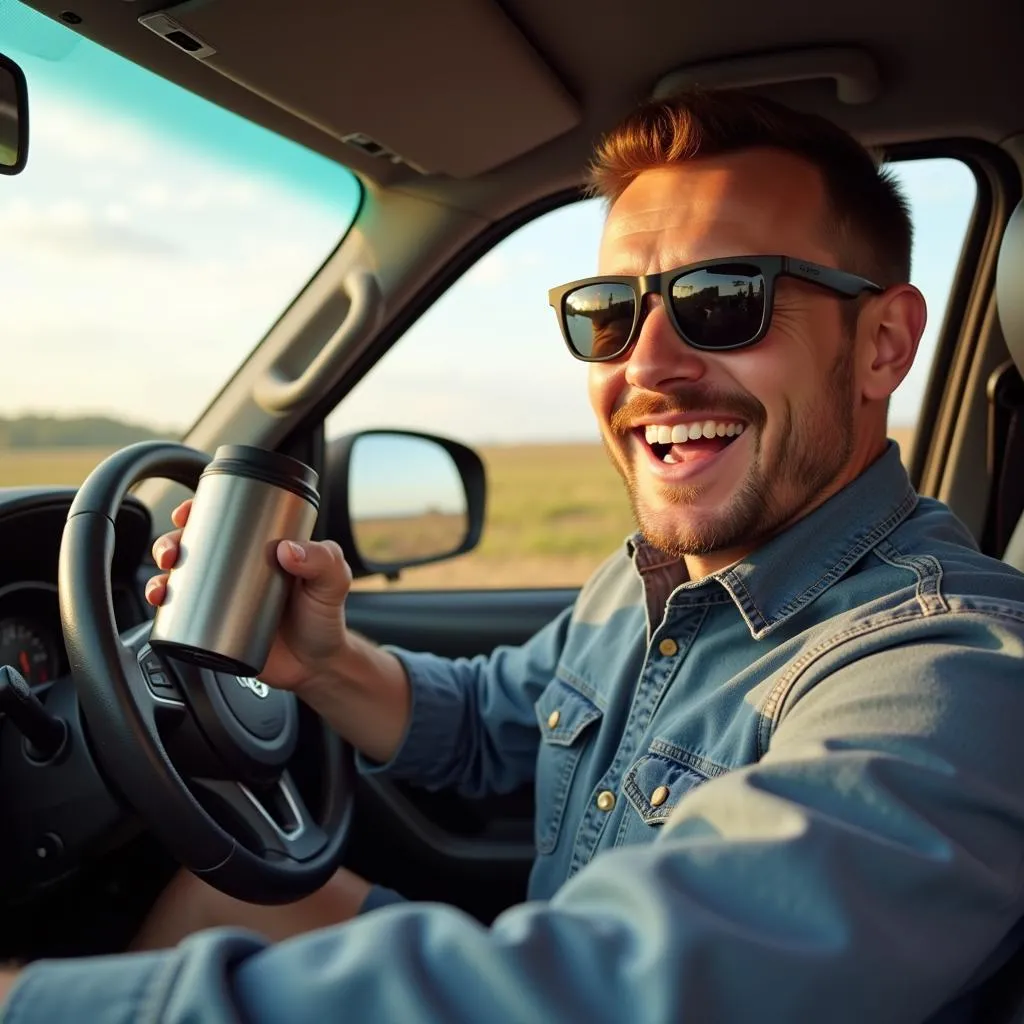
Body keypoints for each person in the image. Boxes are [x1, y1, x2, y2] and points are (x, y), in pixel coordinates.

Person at [3, 88, 1024, 1023]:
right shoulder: (649, 582)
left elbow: (610, 995)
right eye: (609, 313)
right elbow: (503, 724)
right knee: (219, 889)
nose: (649, 365)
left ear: (884, 343)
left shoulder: (953, 673)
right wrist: (321, 663)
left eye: (723, 298)